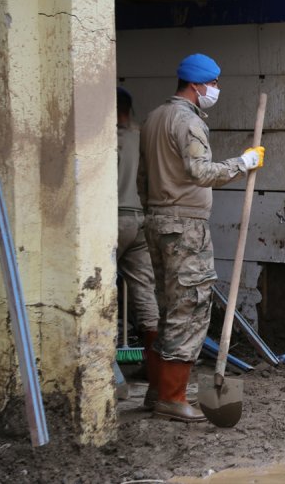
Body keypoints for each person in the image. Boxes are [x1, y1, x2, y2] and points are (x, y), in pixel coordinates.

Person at [138, 53, 265, 422]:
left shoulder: (152, 119)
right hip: (185, 227)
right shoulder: (188, 122)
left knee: (167, 308)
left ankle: (156, 390)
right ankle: (173, 398)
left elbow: (143, 179)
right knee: (189, 308)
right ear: (197, 85)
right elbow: (199, 171)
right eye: (214, 83)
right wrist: (242, 164)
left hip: (156, 221)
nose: (216, 89)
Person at [116, 87, 160, 408]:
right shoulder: (144, 137)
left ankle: (107, 376)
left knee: (99, 293)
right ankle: (155, 373)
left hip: (112, 219)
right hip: (142, 220)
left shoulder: (105, 139)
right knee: (145, 295)